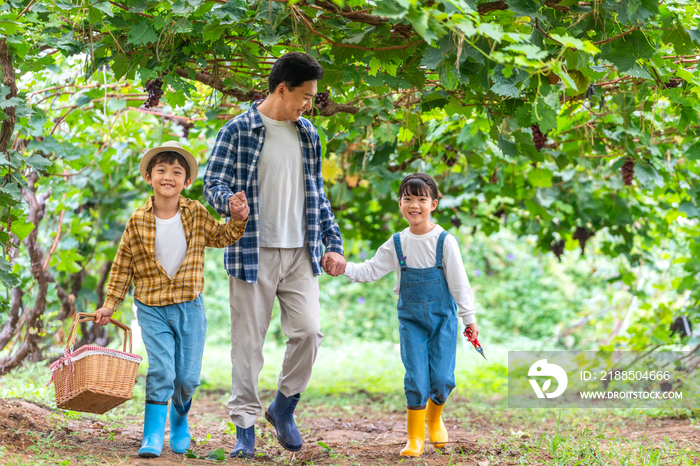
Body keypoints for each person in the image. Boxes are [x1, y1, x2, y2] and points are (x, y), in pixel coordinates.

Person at [203, 52, 345, 458]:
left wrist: (331, 241)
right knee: (248, 344)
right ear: (282, 89)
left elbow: (317, 195)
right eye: (305, 95)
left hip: (301, 250)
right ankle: (244, 429)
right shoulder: (239, 130)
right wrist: (227, 202)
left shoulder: (309, 134)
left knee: (309, 332)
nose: (309, 104)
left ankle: (284, 406)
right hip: (253, 251)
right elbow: (214, 181)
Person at [93, 140, 249, 458]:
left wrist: (237, 218)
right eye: (161, 170)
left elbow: (221, 237)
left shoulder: (194, 212)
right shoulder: (137, 221)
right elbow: (123, 265)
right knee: (162, 370)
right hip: (151, 306)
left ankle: (179, 420)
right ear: (149, 177)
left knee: (187, 378)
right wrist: (111, 302)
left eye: (177, 171)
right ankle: (152, 433)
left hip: (190, 304)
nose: (169, 176)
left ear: (186, 181)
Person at [325, 173, 479, 457]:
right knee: (417, 378)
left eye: (421, 199)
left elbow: (460, 284)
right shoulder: (397, 243)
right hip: (411, 323)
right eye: (408, 198)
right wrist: (344, 266)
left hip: (443, 320)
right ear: (400, 203)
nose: (414, 205)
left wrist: (469, 320)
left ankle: (434, 421)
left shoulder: (445, 241)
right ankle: (415, 436)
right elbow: (370, 269)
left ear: (433, 204)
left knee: (444, 379)